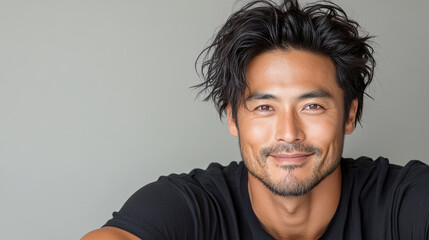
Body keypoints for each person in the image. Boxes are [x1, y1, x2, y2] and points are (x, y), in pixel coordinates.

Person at [82, 0, 429, 239]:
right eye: (265, 108)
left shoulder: (404, 201)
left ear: (349, 114)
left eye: (312, 106)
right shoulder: (189, 207)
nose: (289, 133)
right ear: (233, 117)